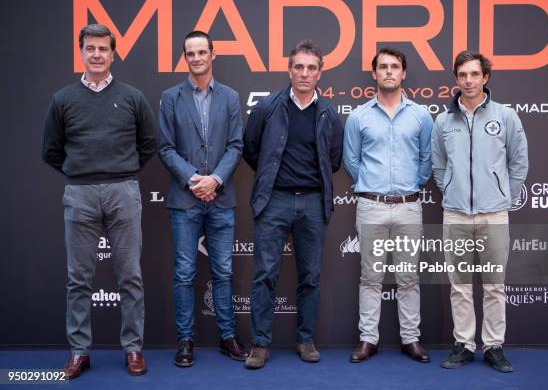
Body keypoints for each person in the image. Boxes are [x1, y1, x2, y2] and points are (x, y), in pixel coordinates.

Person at [41, 24, 156, 379]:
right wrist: (82, 173)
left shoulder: (133, 97)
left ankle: (133, 348)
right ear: (81, 52)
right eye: (89, 48)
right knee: (78, 279)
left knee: (130, 276)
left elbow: (149, 143)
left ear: (112, 53)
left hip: (124, 190)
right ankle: (79, 351)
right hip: (80, 193)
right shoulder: (63, 99)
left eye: (102, 49)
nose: (96, 54)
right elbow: (51, 150)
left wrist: (122, 170)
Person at [242, 40, 343, 369]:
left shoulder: (328, 113)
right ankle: (260, 344)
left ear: (320, 72)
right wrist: (274, 177)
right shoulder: (268, 107)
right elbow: (251, 149)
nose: (304, 73)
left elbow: (334, 159)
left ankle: (305, 339)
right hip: (274, 201)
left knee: (310, 276)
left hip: (312, 202)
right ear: (289, 70)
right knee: (264, 275)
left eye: (311, 68)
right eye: (298, 67)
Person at [431, 50, 528, 373]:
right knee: (459, 284)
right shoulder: (444, 121)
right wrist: (451, 190)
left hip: (494, 215)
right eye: (462, 75)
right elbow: (438, 163)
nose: (469, 81)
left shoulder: (506, 116)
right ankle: (463, 344)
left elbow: (518, 162)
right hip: (456, 213)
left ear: (485, 78)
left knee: (494, 284)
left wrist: (503, 196)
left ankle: (494, 345)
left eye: (475, 74)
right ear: (456, 79)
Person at [157, 31, 247, 367]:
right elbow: (165, 147)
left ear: (213, 54)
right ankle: (185, 340)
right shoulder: (171, 97)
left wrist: (216, 180)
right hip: (185, 198)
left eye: (201, 52)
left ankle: (227, 337)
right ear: (185, 57)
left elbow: (236, 145)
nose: (196, 58)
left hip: (221, 198)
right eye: (190, 53)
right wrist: (195, 180)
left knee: (223, 272)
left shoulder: (230, 97)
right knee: (184, 273)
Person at [344, 48, 433, 364]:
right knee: (371, 277)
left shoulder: (421, 116)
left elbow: (427, 160)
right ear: (374, 73)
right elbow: (351, 160)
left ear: (404, 73)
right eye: (383, 67)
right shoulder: (359, 117)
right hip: (371, 206)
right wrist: (372, 185)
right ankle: (368, 340)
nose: (389, 72)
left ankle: (411, 340)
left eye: (395, 67)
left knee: (408, 277)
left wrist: (414, 185)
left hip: (409, 206)